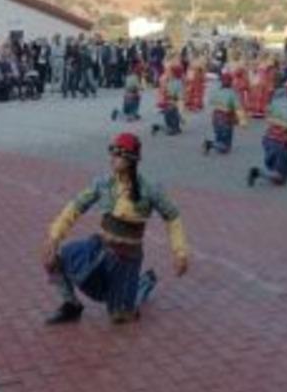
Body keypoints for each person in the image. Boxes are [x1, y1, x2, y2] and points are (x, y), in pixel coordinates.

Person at [41, 133, 189, 324]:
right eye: (112, 152)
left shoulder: (150, 189)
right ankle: (71, 305)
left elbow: (173, 216)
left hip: (126, 262)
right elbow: (75, 206)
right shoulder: (103, 184)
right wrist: (54, 237)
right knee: (51, 259)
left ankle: (143, 283)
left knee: (120, 317)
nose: (112, 158)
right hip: (99, 251)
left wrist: (180, 253)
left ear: (131, 159)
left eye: (119, 153)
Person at [247, 80, 287, 187]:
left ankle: (271, 170)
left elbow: (268, 114)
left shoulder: (277, 102)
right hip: (282, 144)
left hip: (267, 139)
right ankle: (257, 172)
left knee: (272, 165)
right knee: (281, 179)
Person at [203, 73, 248, 155]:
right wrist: (242, 120)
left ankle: (217, 144)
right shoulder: (232, 93)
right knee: (226, 145)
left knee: (218, 134)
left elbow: (210, 102)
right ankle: (211, 144)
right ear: (231, 82)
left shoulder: (216, 91)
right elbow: (238, 108)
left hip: (216, 117)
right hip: (226, 119)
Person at [151, 64, 184, 136]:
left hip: (173, 100)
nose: (169, 73)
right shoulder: (172, 81)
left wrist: (175, 99)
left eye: (171, 72)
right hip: (170, 100)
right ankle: (174, 127)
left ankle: (173, 128)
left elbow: (178, 93)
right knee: (171, 114)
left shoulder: (177, 82)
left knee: (171, 115)